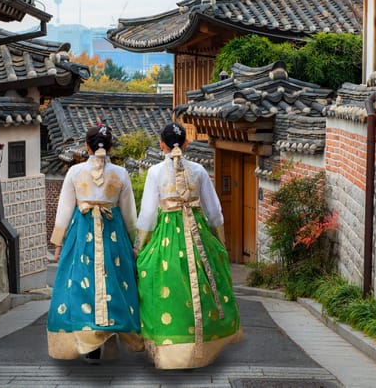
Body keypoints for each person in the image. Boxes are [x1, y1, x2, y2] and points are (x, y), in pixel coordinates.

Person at [135, 121, 242, 369]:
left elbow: (149, 214)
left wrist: (142, 245)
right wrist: (218, 240)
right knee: (205, 283)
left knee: (163, 285)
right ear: (186, 143)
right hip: (198, 233)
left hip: (166, 237)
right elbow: (214, 210)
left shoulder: (154, 172)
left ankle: (170, 348)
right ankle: (202, 346)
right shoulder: (199, 170)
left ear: (161, 144)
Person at [47, 123, 142, 362]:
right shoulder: (120, 173)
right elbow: (130, 214)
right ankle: (108, 335)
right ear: (110, 147)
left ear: (86, 147)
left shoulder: (74, 172)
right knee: (115, 284)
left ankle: (89, 342)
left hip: (81, 234)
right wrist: (136, 242)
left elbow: (65, 209)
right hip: (114, 234)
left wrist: (58, 244)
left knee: (81, 285)